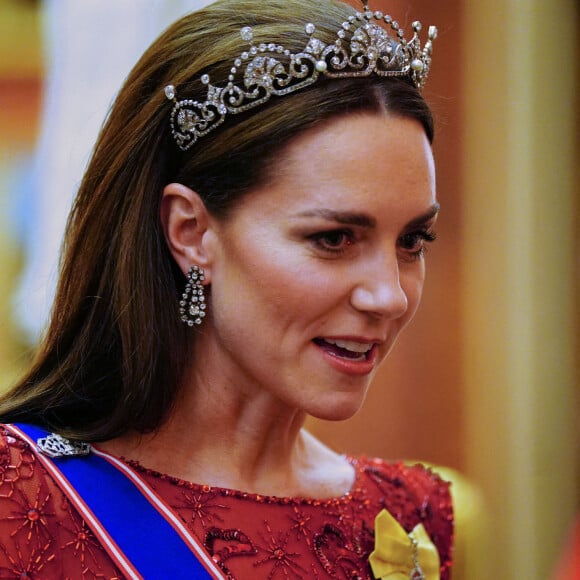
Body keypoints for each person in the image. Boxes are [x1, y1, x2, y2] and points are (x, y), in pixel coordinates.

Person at [0, 0, 453, 578]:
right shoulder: (25, 499)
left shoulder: (407, 515)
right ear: (191, 232)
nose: (388, 296)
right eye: (334, 238)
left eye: (413, 241)